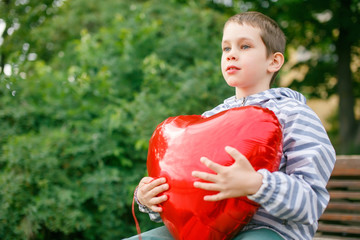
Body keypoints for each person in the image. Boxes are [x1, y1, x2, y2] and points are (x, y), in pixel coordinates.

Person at [125, 11, 336, 240]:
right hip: (199, 228)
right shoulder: (209, 120)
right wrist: (148, 198)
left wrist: (257, 184)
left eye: (244, 46)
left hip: (271, 231)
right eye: (226, 48)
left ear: (274, 61)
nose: (231, 55)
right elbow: (189, 186)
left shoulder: (296, 115)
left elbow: (312, 204)